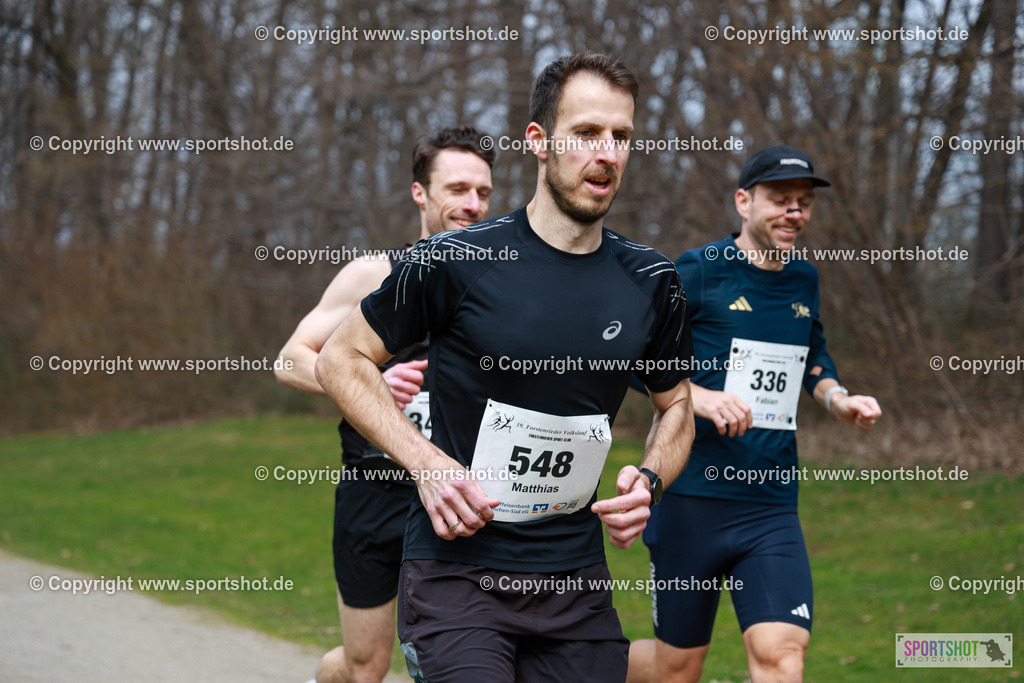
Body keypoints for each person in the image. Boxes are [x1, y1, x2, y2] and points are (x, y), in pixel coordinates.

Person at [313, 51, 696, 682]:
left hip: (573, 580)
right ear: (540, 142)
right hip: (456, 574)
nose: (607, 153)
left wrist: (650, 479)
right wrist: (429, 465)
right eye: (587, 133)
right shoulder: (454, 261)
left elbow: (676, 402)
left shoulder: (651, 281)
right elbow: (339, 358)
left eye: (622, 137)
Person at [634, 145, 883, 682]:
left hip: (769, 505)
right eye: (780, 200)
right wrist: (697, 396)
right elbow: (632, 357)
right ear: (743, 202)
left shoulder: (804, 281)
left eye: (802, 202)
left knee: (783, 659)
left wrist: (838, 400)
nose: (794, 212)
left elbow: (812, 356)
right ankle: (583, 664)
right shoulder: (697, 272)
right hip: (691, 499)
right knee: (674, 670)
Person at [275, 125, 495, 683]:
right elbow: (290, 359)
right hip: (374, 493)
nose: (472, 205)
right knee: (364, 666)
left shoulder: (500, 285)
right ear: (420, 193)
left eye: (483, 193)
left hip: (456, 498)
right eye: (457, 189)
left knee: (459, 661)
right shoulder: (375, 274)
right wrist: (361, 381)